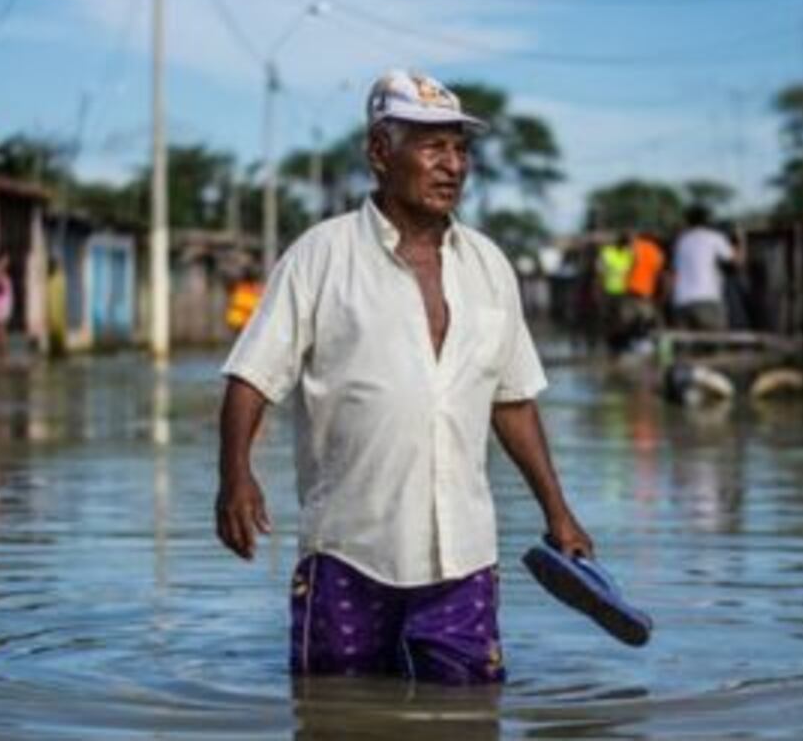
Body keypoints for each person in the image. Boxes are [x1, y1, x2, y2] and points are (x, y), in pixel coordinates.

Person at [215, 69, 594, 686]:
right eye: (432, 146)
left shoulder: (489, 265)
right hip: (348, 551)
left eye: (461, 149)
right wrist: (235, 476)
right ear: (378, 153)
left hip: (463, 557)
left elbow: (514, 402)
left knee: (469, 718)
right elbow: (250, 378)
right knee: (333, 716)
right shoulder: (321, 255)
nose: (453, 166)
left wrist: (560, 513)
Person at [669, 206, 737, 332]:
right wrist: (740, 240)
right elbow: (734, 261)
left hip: (681, 302)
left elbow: (674, 272)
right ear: (708, 220)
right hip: (707, 299)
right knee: (714, 345)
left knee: (685, 349)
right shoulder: (715, 238)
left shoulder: (680, 241)